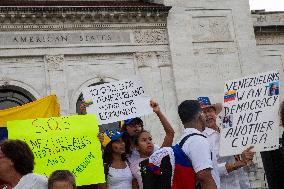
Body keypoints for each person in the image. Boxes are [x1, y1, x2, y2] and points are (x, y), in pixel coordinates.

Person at [200, 98, 255, 189]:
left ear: (215, 113)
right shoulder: (203, 139)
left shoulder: (227, 131)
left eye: (209, 111)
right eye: (203, 112)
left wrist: (246, 155)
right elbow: (208, 171)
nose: (207, 115)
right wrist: (235, 165)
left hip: (242, 183)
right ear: (199, 118)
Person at [177, 100, 219, 189]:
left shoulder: (183, 140)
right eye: (203, 112)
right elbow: (204, 177)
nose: (206, 115)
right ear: (200, 116)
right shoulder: (198, 140)